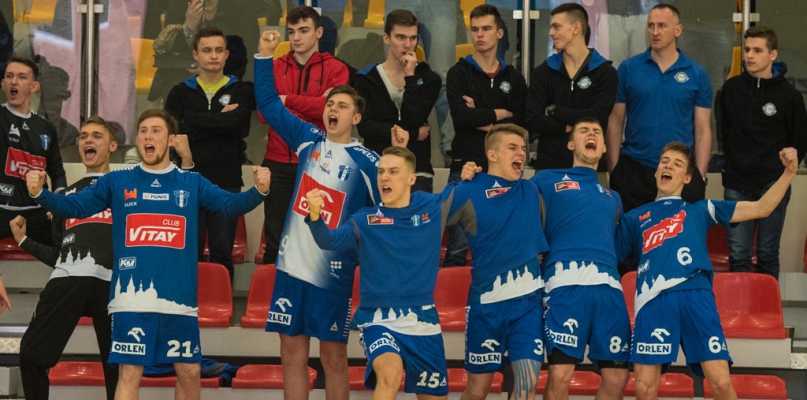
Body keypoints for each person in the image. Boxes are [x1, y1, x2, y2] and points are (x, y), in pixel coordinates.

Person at [27, 108, 270, 400]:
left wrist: (259, 190)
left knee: (190, 372)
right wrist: (40, 193)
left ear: (171, 140)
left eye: (156, 131)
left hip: (178, 300)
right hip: (130, 300)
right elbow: (74, 207)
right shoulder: (116, 181)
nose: (147, 136)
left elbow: (230, 205)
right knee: (129, 374)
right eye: (143, 131)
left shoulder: (191, 182)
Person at [255, 30, 406, 400]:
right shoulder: (307, 139)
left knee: (333, 357)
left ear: (356, 117)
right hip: (291, 267)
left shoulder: (369, 162)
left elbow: (389, 213)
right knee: (291, 354)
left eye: (341, 106)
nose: (332, 110)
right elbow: (269, 104)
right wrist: (264, 55)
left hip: (333, 273)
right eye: (330, 105)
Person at [615, 141, 799, 400]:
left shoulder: (702, 209)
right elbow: (606, 256)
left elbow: (762, 207)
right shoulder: (633, 218)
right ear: (656, 172)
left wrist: (789, 172)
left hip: (697, 297)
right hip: (652, 300)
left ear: (687, 177)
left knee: (721, 383)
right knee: (644, 390)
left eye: (677, 164)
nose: (668, 166)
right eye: (664, 161)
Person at [305, 147, 449, 399]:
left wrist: (469, 172)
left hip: (424, 321)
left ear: (411, 178)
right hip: (379, 319)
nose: (384, 178)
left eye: (393, 172)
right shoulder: (365, 219)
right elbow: (329, 240)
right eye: (381, 172)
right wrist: (315, 216)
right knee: (390, 373)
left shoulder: (431, 206)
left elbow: (464, 191)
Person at [12, 116, 120, 400]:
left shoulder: (124, 188)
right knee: (31, 355)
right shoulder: (65, 197)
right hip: (68, 279)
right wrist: (24, 241)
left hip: (113, 283)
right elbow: (60, 254)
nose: (88, 140)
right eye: (84, 136)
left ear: (113, 146)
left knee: (120, 368)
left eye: (97, 135)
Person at [530, 118, 630, 400]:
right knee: (560, 375)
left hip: (609, 288)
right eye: (584, 131)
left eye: (597, 132)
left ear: (604, 147)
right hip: (565, 284)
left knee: (618, 378)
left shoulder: (614, 197)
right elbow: (514, 207)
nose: (592, 134)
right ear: (571, 144)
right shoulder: (545, 179)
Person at [453, 124, 549, 400]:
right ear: (492, 155)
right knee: (478, 389)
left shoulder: (531, 190)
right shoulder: (468, 189)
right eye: (512, 147)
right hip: (487, 305)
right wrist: (462, 178)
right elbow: (431, 221)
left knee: (527, 383)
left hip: (528, 305)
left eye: (523, 148)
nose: (521, 153)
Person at [260, 5, 349, 265]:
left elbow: (330, 113)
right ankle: (271, 288)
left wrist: (286, 100)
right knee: (275, 237)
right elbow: (264, 113)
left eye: (303, 30)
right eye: (291, 32)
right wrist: (314, 103)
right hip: (277, 160)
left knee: (315, 237)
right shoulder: (275, 67)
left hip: (318, 162)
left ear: (319, 32)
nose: (296, 37)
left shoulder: (337, 69)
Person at [165, 26, 255, 282]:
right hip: (187, 182)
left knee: (222, 253)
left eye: (218, 50)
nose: (213, 56)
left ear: (226, 55)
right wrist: (220, 121)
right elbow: (174, 134)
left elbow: (239, 127)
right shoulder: (179, 92)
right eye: (206, 50)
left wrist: (191, 120)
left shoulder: (242, 90)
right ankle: (185, 302)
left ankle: (221, 302)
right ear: (196, 55)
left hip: (226, 183)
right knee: (187, 252)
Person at [718, 26, 807, 280]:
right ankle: (739, 306)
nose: (749, 55)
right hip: (736, 185)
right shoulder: (731, 90)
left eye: (757, 50)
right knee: (738, 256)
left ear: (773, 54)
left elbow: (800, 140)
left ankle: (767, 307)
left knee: (767, 254)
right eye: (747, 49)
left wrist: (789, 161)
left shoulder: (790, 96)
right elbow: (724, 132)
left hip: (772, 184)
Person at [606, 3, 711, 213]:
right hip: (634, 169)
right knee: (632, 232)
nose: (655, 32)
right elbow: (615, 121)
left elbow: (702, 129)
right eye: (651, 25)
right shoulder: (628, 68)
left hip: (678, 172)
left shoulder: (697, 74)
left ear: (678, 30)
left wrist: (699, 176)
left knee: (674, 234)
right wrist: (614, 169)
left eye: (662, 26)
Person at [444, 4, 527, 267]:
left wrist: (478, 115)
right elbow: (461, 118)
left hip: (503, 172)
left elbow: (521, 125)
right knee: (458, 248)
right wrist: (501, 114)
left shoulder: (514, 78)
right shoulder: (458, 73)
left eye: (486, 29)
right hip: (465, 168)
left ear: (499, 33)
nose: (479, 35)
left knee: (501, 244)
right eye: (475, 29)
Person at [356, 9, 441, 193]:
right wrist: (413, 134)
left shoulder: (429, 79)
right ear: (386, 38)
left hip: (417, 170)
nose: (408, 45)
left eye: (413, 38)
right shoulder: (366, 79)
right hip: (379, 168)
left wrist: (410, 77)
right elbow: (365, 127)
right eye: (400, 37)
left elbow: (413, 118)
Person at [527, 3, 617, 171]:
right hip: (549, 169)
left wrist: (554, 110)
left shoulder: (605, 72)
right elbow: (532, 120)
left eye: (556, 27)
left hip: (591, 169)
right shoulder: (543, 71)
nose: (550, 33)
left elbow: (597, 117)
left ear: (576, 28)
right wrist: (566, 127)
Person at [0, 57, 67, 246]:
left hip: (37, 213)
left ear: (34, 86)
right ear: (3, 84)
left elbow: (57, 173)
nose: (14, 81)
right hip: (1, 210)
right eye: (9, 76)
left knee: (73, 235)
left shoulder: (46, 127)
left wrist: (58, 203)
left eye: (22, 77)